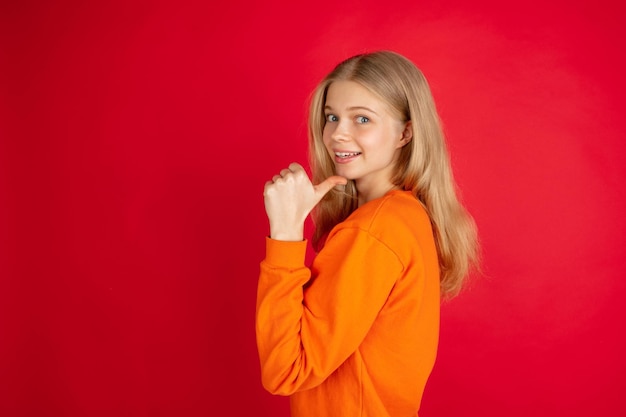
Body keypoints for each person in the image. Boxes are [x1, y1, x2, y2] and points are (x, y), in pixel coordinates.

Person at [256, 51, 479, 417]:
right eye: (332, 117)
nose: (338, 133)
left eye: (362, 119)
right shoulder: (406, 215)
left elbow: (286, 370)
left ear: (405, 132)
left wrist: (284, 233)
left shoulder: (374, 230)